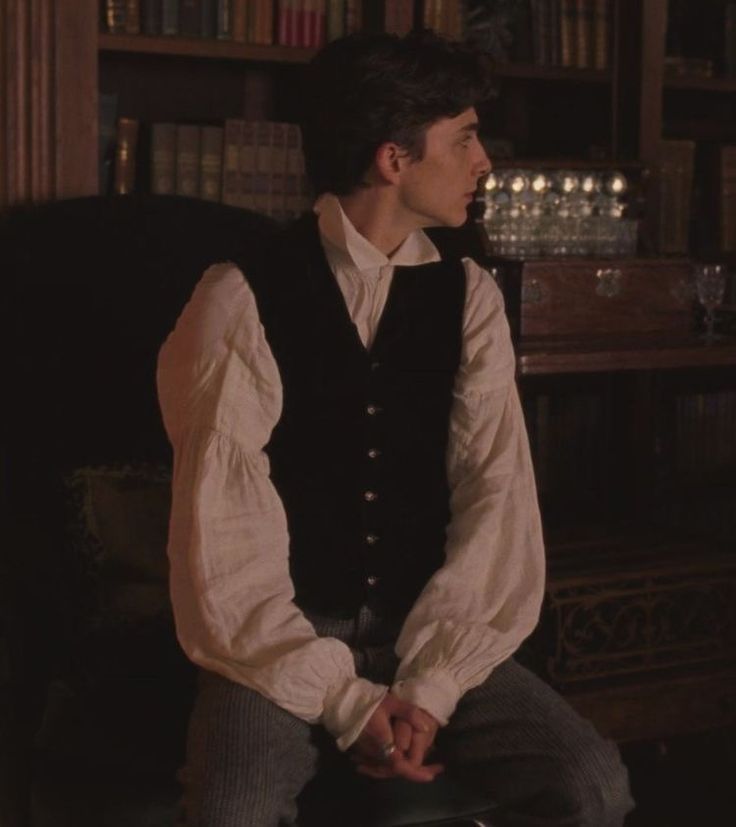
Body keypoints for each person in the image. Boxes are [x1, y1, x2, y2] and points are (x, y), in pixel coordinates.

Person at [157, 30, 633, 827]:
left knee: (592, 783)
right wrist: (343, 700)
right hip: (281, 637)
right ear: (393, 159)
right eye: (466, 137)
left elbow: (495, 498)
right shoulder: (238, 299)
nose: (485, 162)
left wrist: (431, 687)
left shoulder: (469, 295)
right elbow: (224, 540)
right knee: (231, 810)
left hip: (431, 631)